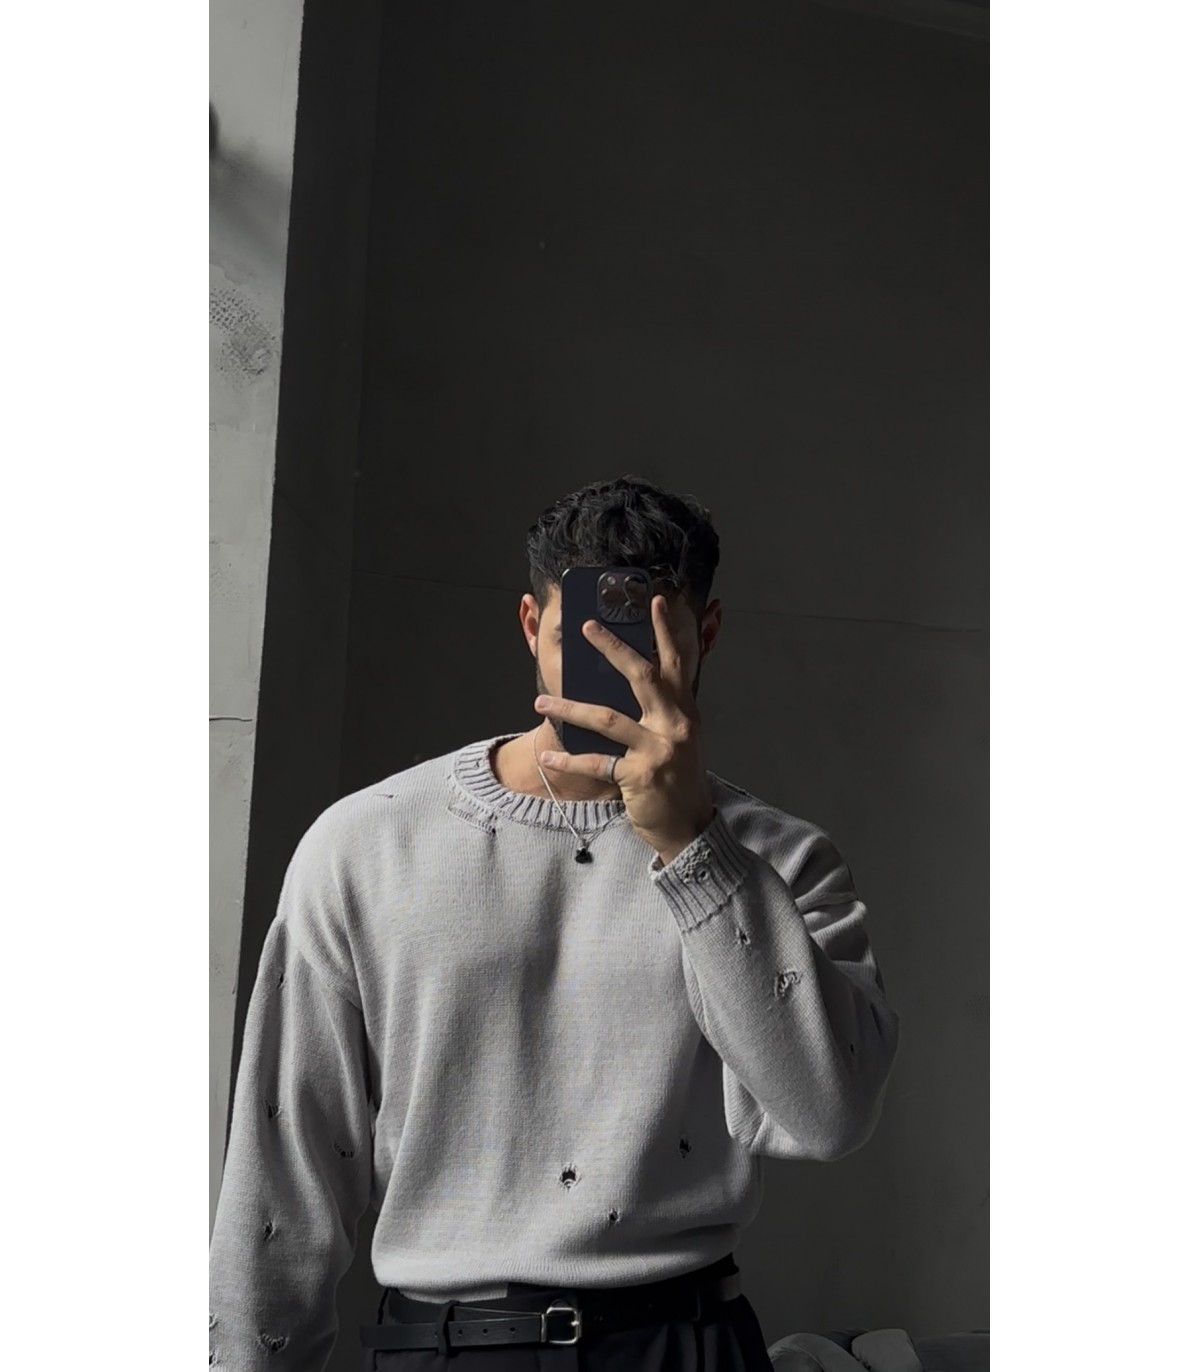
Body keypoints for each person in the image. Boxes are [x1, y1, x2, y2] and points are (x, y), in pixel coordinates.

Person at [209, 475, 901, 1371]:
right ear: (534, 626)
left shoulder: (780, 858)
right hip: (444, 1348)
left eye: (649, 638)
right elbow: (285, 1161)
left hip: (685, 1342)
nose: (622, 667)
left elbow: (829, 1114)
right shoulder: (365, 842)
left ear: (706, 634)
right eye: (590, 637)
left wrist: (695, 847)